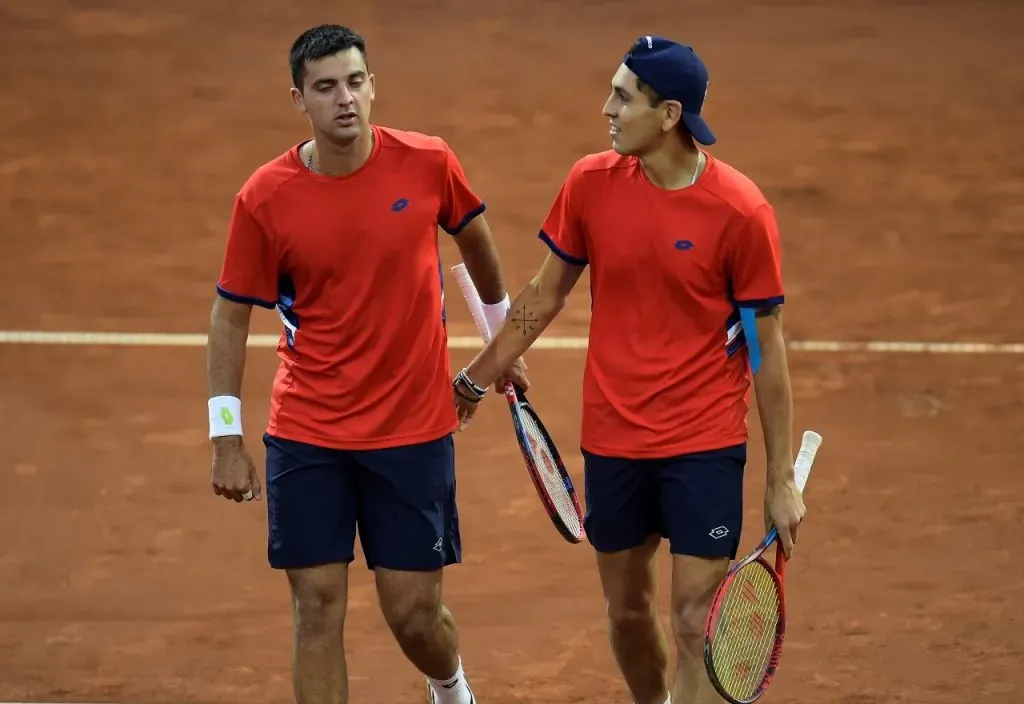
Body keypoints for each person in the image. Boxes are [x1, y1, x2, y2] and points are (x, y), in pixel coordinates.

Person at [452, 35, 806, 704]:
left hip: (702, 443)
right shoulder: (591, 183)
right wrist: (473, 379)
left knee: (696, 622)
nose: (606, 108)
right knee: (628, 613)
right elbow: (544, 294)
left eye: (622, 96)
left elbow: (766, 349)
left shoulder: (740, 213)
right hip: (614, 439)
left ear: (668, 114)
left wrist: (780, 477)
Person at [205, 23, 526, 704]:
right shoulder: (265, 198)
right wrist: (225, 435)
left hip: (412, 431)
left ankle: (451, 685)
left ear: (372, 85)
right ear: (300, 99)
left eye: (355, 82)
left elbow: (478, 243)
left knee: (413, 613)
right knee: (316, 608)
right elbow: (231, 315)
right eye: (325, 87)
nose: (344, 99)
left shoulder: (428, 162)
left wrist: (503, 343)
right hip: (309, 431)